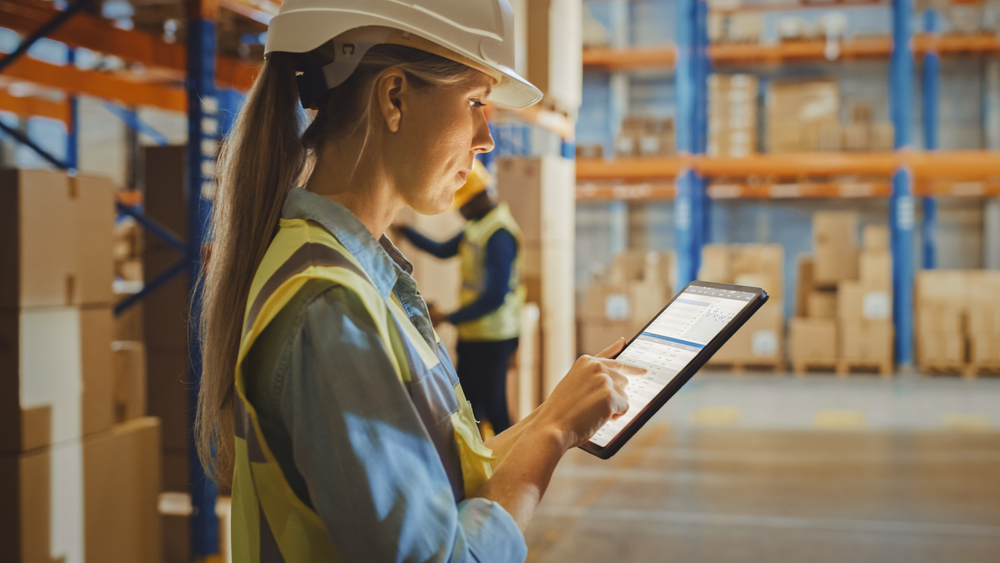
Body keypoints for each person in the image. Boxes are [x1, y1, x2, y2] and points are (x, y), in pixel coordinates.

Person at [194, 1, 640, 561]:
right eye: (476, 101)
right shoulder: (330, 304)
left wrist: (555, 416)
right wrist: (550, 436)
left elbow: (442, 478)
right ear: (395, 98)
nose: (487, 139)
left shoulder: (356, 276)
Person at [396, 161, 523, 434]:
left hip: (494, 336)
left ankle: (508, 467)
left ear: (478, 198)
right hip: (473, 334)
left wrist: (449, 316)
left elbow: (494, 297)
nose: (461, 212)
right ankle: (477, 465)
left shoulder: (498, 233)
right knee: (466, 404)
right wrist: (406, 232)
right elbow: (442, 250)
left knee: (494, 406)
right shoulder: (478, 226)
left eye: (463, 205)